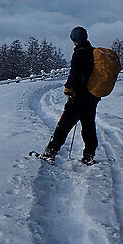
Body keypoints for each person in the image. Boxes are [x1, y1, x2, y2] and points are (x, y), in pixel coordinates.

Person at [42, 26, 99, 163]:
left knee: (64, 125)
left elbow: (74, 74)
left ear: (74, 39)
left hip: (79, 97)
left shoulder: (79, 53)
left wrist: (68, 88)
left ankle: (50, 153)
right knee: (88, 126)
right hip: (92, 96)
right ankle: (89, 155)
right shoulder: (94, 52)